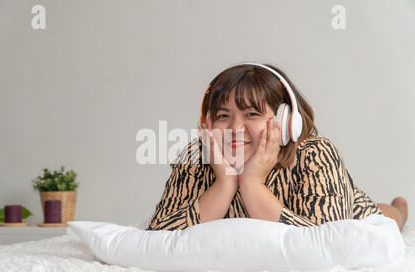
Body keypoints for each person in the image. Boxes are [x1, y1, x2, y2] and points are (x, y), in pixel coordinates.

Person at [146, 63, 408, 232]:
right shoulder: (196, 157)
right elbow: (158, 233)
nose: (236, 127)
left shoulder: (314, 154)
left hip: (348, 207)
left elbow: (327, 241)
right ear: (208, 123)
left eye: (251, 114)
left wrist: (252, 185)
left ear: (285, 121)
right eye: (224, 116)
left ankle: (399, 207)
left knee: (387, 221)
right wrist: (225, 183)